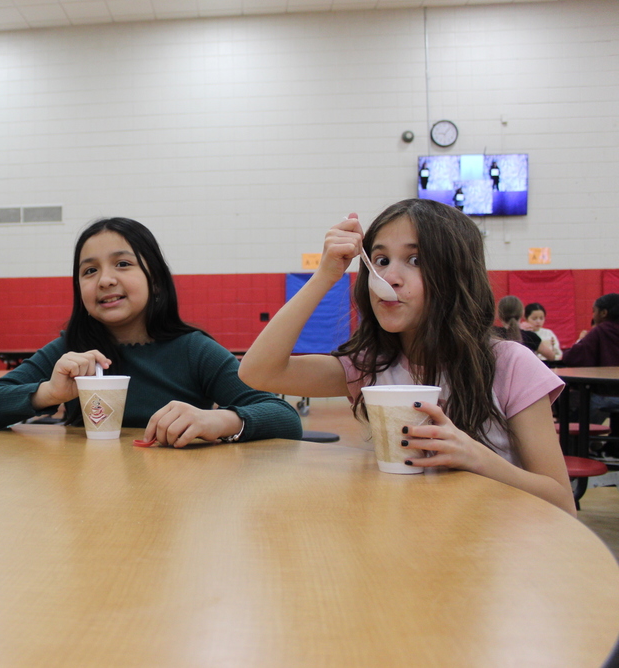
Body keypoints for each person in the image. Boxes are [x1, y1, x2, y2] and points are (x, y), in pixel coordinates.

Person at [238, 199, 575, 516]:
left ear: (456, 275)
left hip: (493, 544)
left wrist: (478, 458)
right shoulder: (370, 366)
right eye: (381, 261)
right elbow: (258, 372)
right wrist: (325, 275)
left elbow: (562, 503)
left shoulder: (511, 365)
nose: (389, 277)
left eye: (415, 261)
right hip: (408, 534)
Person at [0, 217, 302, 447]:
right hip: (87, 493)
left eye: (123, 264)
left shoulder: (193, 350)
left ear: (155, 281)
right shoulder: (71, 350)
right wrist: (48, 393)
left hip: (169, 494)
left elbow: (285, 417)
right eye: (89, 270)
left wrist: (219, 421)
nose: (105, 279)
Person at [561, 293, 619, 424]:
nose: (593, 316)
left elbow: (572, 357)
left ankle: (577, 435)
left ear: (604, 313)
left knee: (575, 416)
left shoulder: (601, 330)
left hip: (607, 394)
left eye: (594, 311)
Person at [492, 295, 555, 360]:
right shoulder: (530, 336)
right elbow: (552, 356)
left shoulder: (492, 334)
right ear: (522, 313)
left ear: (498, 314)